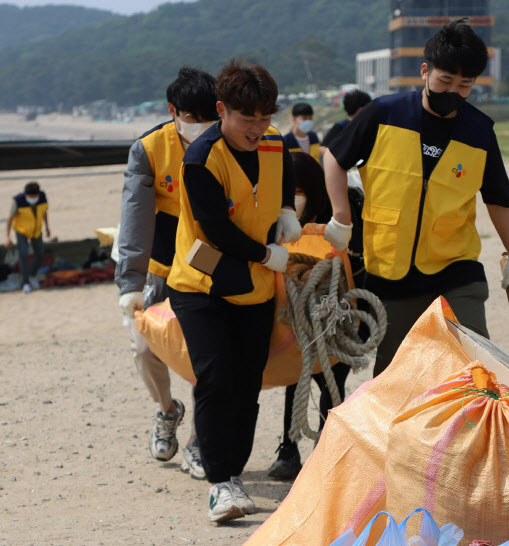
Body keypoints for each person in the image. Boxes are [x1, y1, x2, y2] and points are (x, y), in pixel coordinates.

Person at [323, 19, 509, 377]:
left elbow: (498, 199)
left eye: (465, 85)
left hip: (456, 270)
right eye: (445, 81)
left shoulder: (479, 131)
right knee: (394, 382)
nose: (454, 92)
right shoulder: (384, 114)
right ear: (424, 70)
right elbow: (334, 158)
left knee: (474, 372)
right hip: (390, 275)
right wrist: (342, 216)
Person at [166, 60, 300, 523]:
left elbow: (284, 177)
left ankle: (234, 473)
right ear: (222, 110)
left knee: (247, 384)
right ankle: (219, 483)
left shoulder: (275, 143)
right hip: (201, 282)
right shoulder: (201, 159)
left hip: (255, 288)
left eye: (265, 117)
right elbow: (217, 230)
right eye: (248, 119)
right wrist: (268, 256)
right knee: (216, 378)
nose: (258, 129)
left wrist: (286, 210)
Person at [115, 67, 219, 479]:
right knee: (144, 348)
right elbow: (134, 219)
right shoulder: (149, 148)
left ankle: (198, 440)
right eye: (191, 116)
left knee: (203, 354)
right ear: (172, 111)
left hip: (206, 262)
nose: (200, 125)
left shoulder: (225, 142)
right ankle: (166, 410)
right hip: (159, 266)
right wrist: (130, 284)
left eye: (208, 115)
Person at [267, 151, 352, 480]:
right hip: (292, 319)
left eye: (298, 192)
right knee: (295, 380)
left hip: (336, 316)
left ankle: (327, 451)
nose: (292, 199)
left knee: (333, 383)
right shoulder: (275, 226)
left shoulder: (338, 224)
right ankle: (288, 450)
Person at [5, 181, 50, 294]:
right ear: (25, 195)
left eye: (34, 196)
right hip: (21, 231)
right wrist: (7, 237)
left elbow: (44, 212)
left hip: (36, 230)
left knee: (40, 254)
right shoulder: (18, 201)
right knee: (23, 254)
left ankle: (32, 275)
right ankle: (25, 283)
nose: (32, 198)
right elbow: (10, 219)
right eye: (30, 196)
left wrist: (47, 227)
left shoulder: (42, 198)